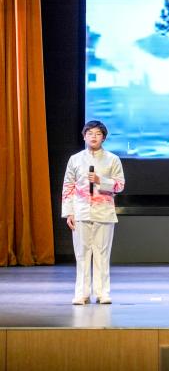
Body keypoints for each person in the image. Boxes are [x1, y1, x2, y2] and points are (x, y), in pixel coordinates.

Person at [61, 120, 125, 305]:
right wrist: (69, 212)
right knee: (82, 254)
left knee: (102, 254)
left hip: (104, 212)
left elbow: (119, 185)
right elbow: (68, 186)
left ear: (103, 137)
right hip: (81, 211)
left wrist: (100, 180)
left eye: (97, 134)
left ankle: (102, 293)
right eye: (90, 133)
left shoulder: (113, 159)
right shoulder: (75, 159)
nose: (93, 137)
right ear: (84, 136)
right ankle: (82, 293)